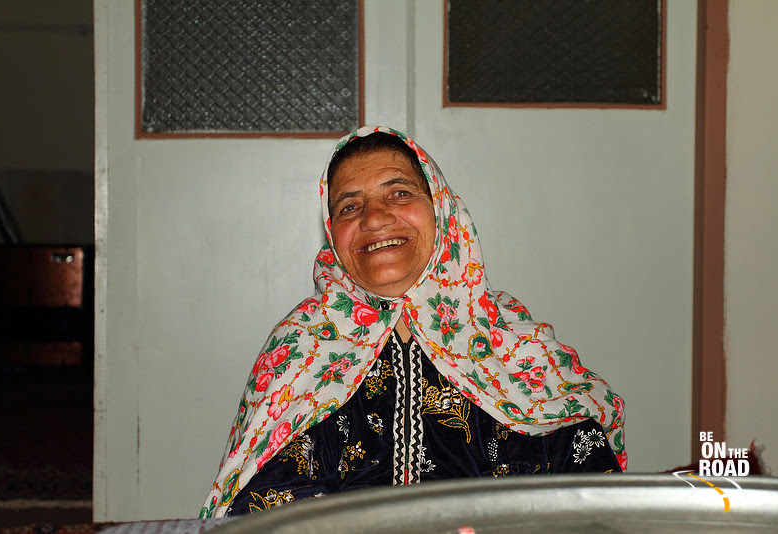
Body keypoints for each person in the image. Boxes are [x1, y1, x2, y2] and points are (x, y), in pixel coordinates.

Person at [200, 126, 626, 518]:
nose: (373, 218)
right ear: (333, 233)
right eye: (349, 206)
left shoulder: (510, 340)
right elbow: (262, 503)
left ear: (440, 207)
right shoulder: (301, 347)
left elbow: (585, 483)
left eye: (399, 193)